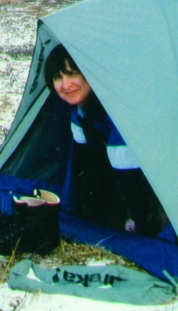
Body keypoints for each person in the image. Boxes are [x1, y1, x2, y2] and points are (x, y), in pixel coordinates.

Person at [43, 44, 165, 236]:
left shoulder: (117, 113)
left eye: (72, 74)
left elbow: (131, 178)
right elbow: (87, 167)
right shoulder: (78, 110)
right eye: (58, 77)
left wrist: (139, 224)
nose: (66, 85)